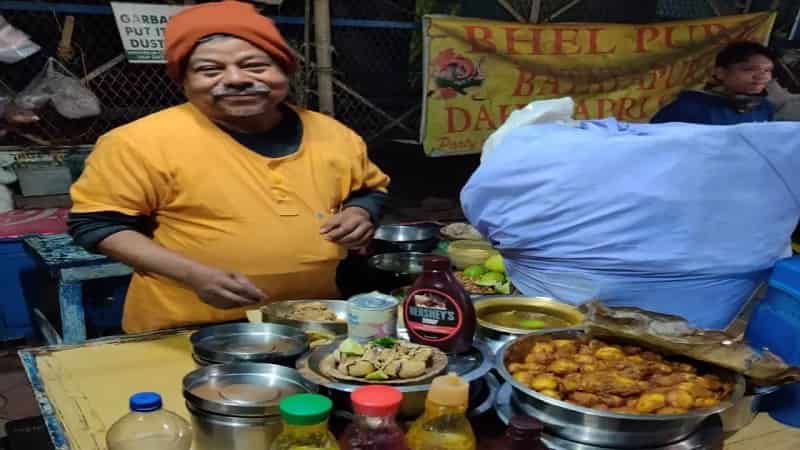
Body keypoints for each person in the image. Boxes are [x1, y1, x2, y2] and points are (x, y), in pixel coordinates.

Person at [67, 1, 390, 333]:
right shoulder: (138, 142)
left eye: (254, 65)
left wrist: (360, 213)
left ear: (285, 70)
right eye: (210, 70)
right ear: (184, 80)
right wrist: (194, 276)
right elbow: (97, 224)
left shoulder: (334, 135)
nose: (236, 79)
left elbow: (368, 189)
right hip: (188, 325)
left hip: (312, 319)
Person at [461, 104, 800, 330]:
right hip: (706, 319)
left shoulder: (535, 152)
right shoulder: (717, 147)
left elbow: (488, 211)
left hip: (564, 311)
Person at [651, 41, 775, 124]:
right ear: (720, 73)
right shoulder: (688, 107)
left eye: (767, 70)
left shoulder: (764, 108)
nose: (762, 76)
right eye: (749, 69)